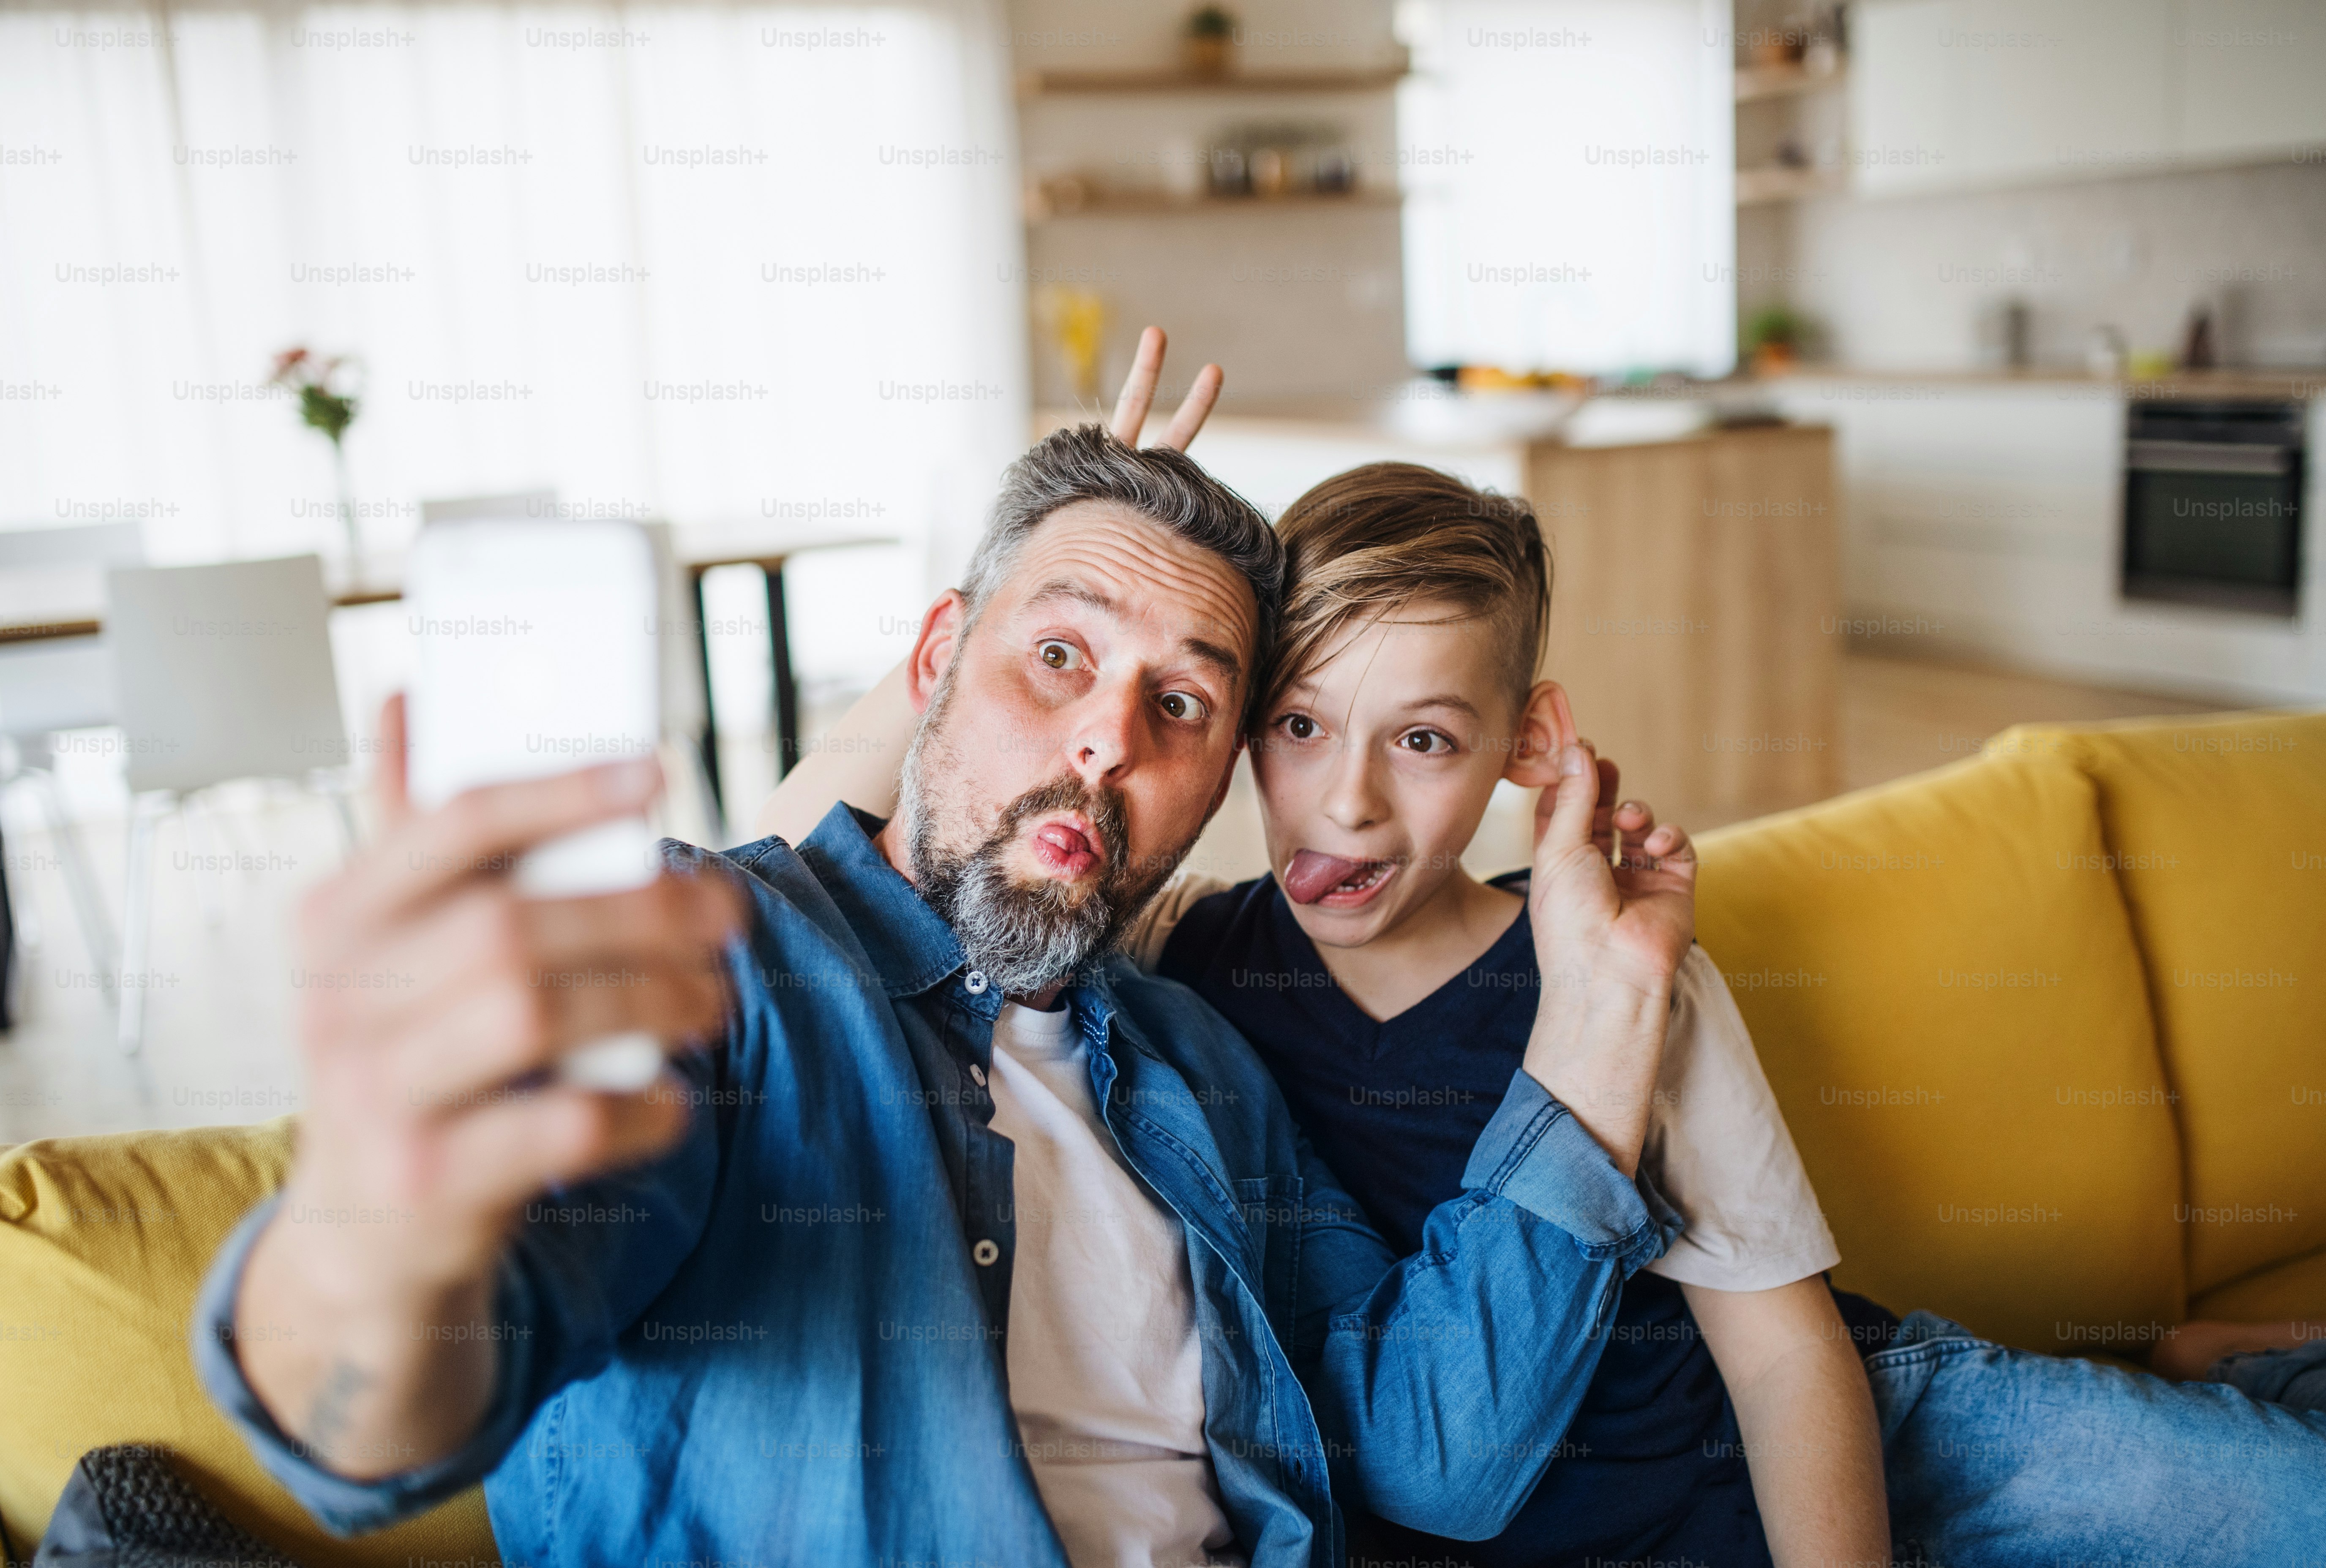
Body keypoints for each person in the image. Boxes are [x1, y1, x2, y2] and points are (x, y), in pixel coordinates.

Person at [193, 332, 1712, 1568]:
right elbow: (376, 1418)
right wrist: (381, 1226)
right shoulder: (718, 968)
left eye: (1182, 703)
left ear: (1224, 779)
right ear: (933, 663)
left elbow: (1446, 1457)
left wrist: (1602, 1008)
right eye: (1058, 654)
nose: (1109, 736)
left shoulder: (1205, 1069)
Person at [768, 453, 2326, 1566]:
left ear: (1527, 743)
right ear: (1235, 730)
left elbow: (1787, 1358)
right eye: (1302, 724)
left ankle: (2244, 1369)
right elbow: (833, 873)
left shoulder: (1619, 971)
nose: (1353, 807)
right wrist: (1064, 558)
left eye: (1428, 742)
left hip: (1839, 1431)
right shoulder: (1173, 971)